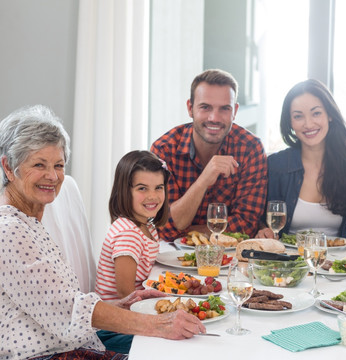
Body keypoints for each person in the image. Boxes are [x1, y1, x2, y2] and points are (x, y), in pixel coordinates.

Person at [0, 105, 205, 360]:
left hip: (75, 344)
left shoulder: (29, 223)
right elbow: (67, 309)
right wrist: (158, 325)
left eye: (59, 165)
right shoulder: (8, 232)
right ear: (9, 167)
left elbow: (56, 305)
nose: (52, 176)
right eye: (39, 164)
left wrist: (120, 305)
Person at [255, 79, 346, 246]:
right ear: (290, 123)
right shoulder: (276, 166)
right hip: (286, 263)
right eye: (298, 116)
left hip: (337, 266)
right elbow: (259, 220)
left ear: (329, 114)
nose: (308, 124)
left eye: (316, 113)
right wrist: (263, 229)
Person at [151, 69, 268, 241]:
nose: (214, 118)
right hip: (170, 256)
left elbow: (246, 225)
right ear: (190, 108)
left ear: (234, 111)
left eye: (224, 109)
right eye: (205, 107)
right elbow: (165, 228)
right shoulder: (164, 151)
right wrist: (204, 180)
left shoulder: (250, 149)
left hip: (229, 258)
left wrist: (188, 230)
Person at [95, 150, 170, 300]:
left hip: (135, 305)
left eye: (158, 187)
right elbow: (126, 295)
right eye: (142, 188)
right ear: (124, 192)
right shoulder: (128, 234)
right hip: (120, 315)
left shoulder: (146, 225)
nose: (152, 196)